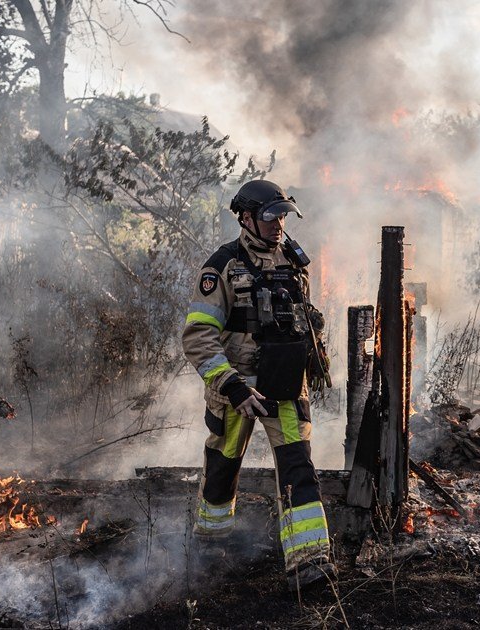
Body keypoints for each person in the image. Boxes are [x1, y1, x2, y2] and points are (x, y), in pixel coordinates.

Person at [182, 179, 335, 590]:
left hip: (286, 387)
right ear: (246, 219)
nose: (278, 224)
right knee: (224, 464)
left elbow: (300, 319)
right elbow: (198, 336)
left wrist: (313, 345)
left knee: (298, 465)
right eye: (270, 217)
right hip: (237, 391)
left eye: (283, 216)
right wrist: (232, 386)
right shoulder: (222, 266)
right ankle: (210, 546)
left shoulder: (293, 260)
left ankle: (309, 562)